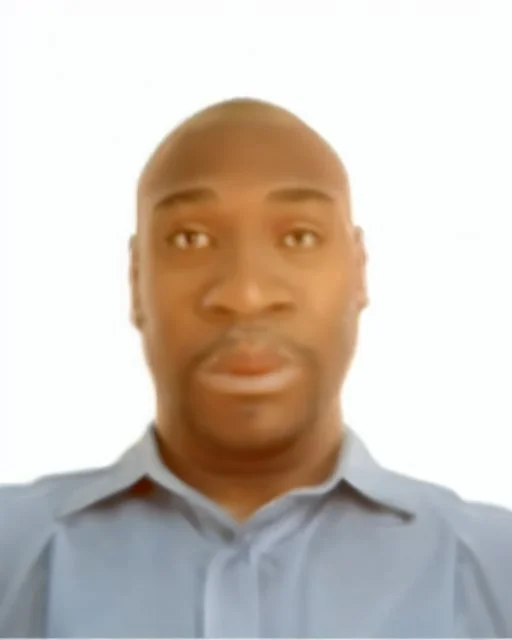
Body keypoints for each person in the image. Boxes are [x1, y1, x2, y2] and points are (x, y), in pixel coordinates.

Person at [0, 98, 510, 639]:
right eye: (190, 238)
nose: (246, 294)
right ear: (136, 280)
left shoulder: (496, 570)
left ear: (359, 272)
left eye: (299, 237)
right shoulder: (14, 551)